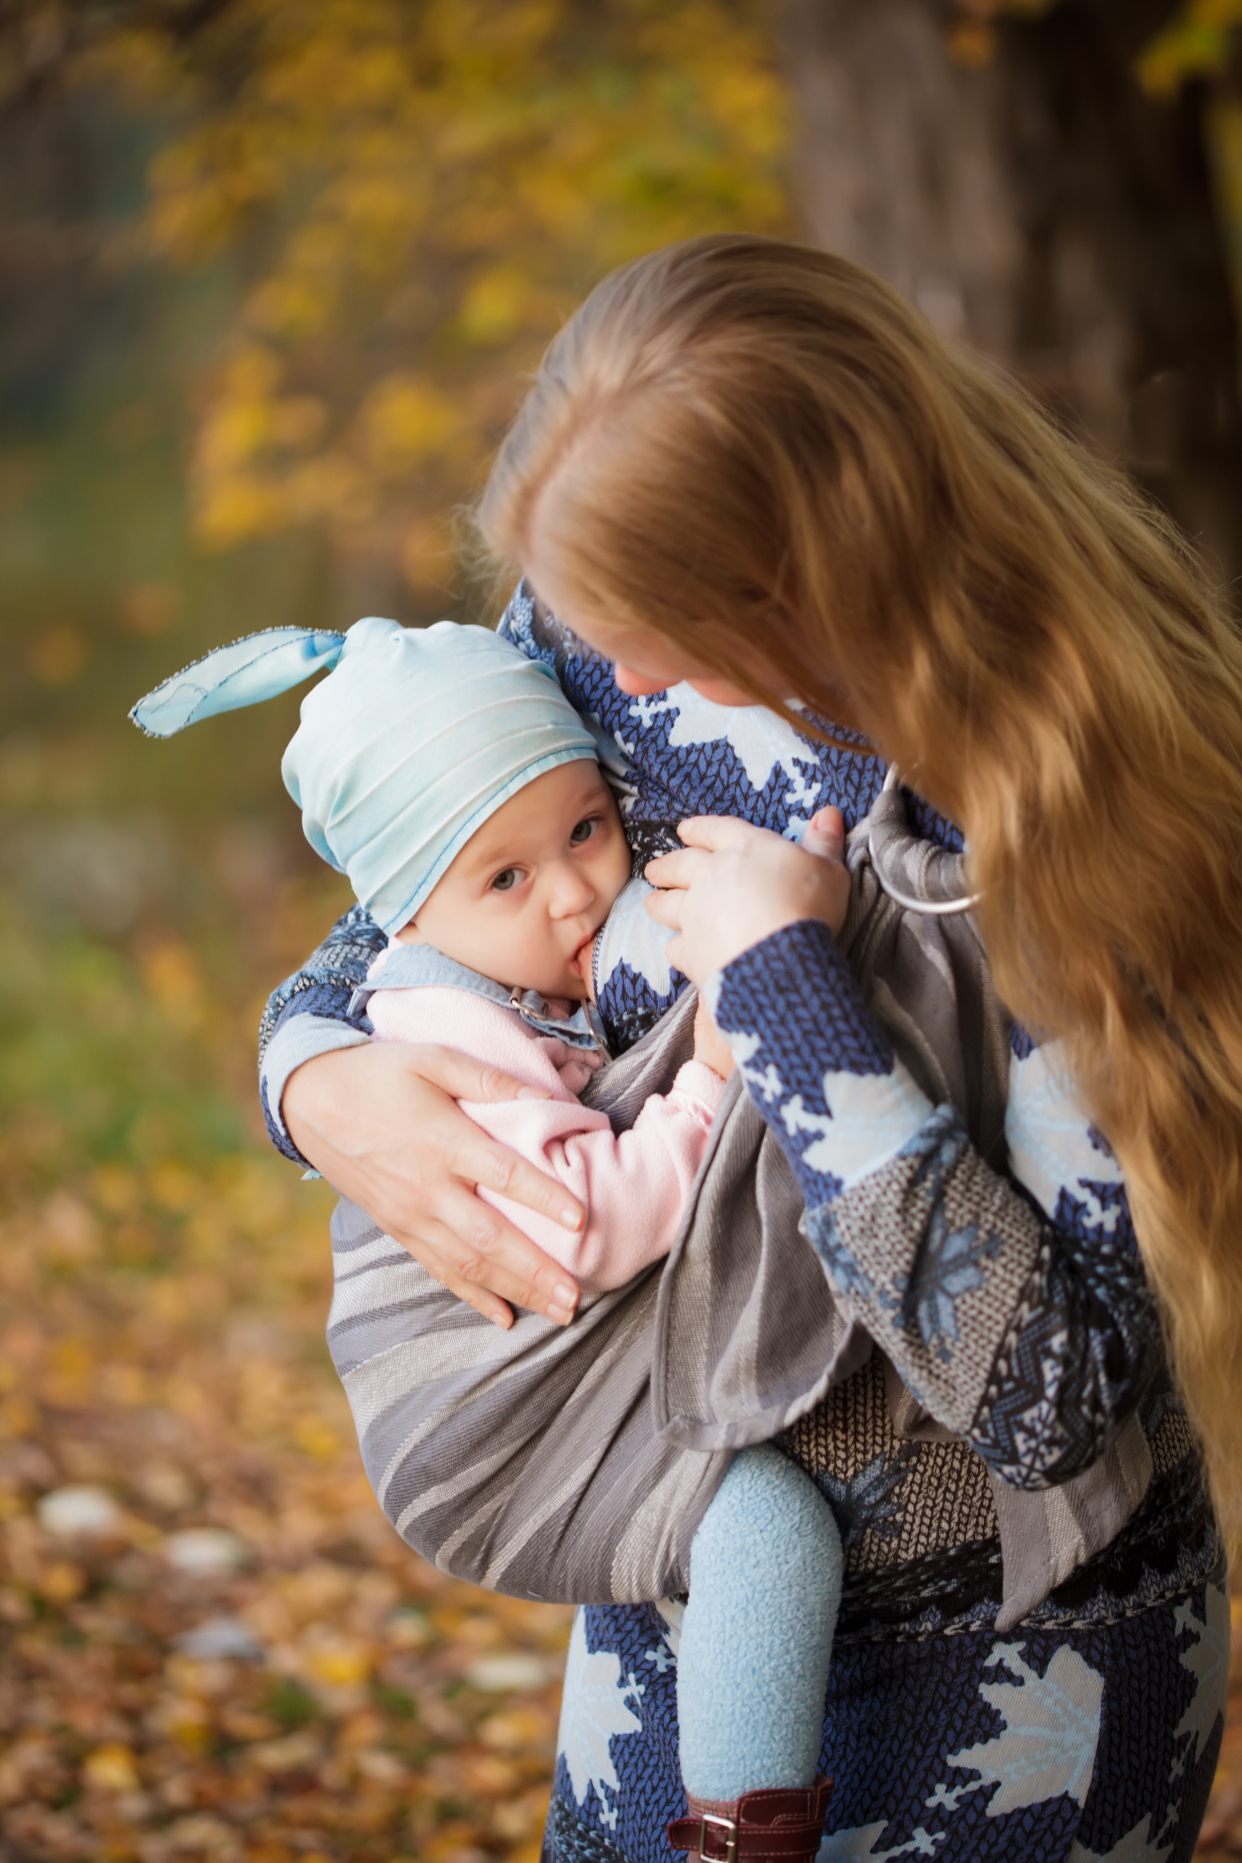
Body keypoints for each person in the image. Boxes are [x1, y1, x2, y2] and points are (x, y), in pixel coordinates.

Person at [260, 238, 1233, 1863]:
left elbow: (1051, 1400)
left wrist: (786, 987)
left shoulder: (1084, 811)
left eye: (666, 619)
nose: (615, 674)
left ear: (821, 567)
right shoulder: (603, 627)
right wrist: (314, 1073)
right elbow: (431, 888)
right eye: (584, 612)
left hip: (1023, 1668)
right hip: (689, 1585)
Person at [130, 615, 846, 1853]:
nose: (575, 889)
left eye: (584, 828)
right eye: (505, 879)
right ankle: (745, 1833)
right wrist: (716, 1076)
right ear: (409, 912)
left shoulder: (503, 969)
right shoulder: (444, 1025)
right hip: (471, 1418)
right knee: (764, 1525)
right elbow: (589, 1224)